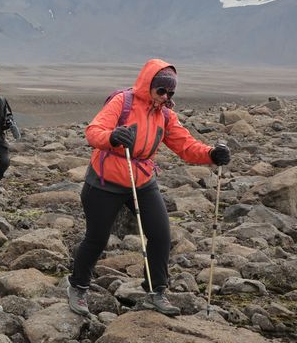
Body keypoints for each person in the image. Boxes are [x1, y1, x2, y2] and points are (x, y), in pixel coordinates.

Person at [66, 59, 231, 317]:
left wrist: (211, 154)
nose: (165, 97)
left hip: (141, 179)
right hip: (103, 181)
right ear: (149, 85)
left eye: (170, 93)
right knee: (97, 238)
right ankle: (78, 287)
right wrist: (112, 137)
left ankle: (156, 292)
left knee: (161, 234)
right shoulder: (123, 102)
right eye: (161, 91)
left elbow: (185, 146)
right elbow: (93, 131)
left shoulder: (165, 114)